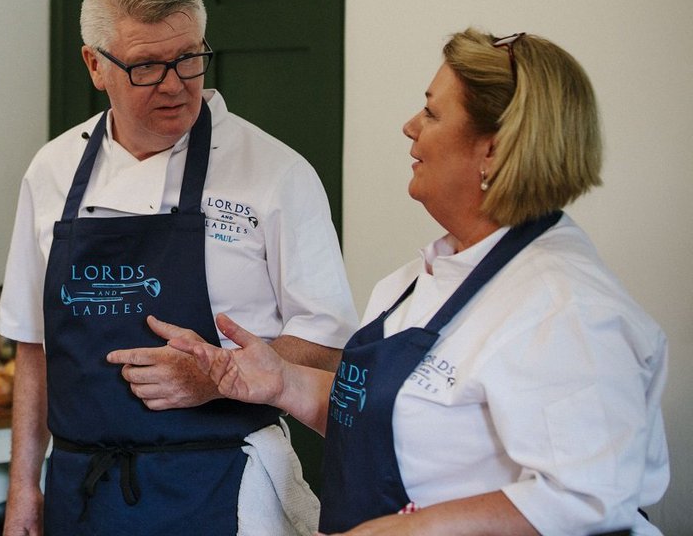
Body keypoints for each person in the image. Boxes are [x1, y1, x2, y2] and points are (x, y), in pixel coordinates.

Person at [169, 29, 670, 535]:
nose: (410, 127)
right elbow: (388, 425)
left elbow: (589, 497)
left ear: (493, 151)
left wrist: (401, 531)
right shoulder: (414, 281)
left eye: (432, 113)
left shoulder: (567, 307)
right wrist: (283, 382)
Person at [0, 0, 359, 536]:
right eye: (146, 66)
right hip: (81, 495)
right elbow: (33, 348)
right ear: (95, 65)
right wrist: (22, 492)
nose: (173, 85)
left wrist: (216, 375)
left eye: (189, 59)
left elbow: (326, 343)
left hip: (224, 492)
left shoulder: (276, 174)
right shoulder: (52, 171)